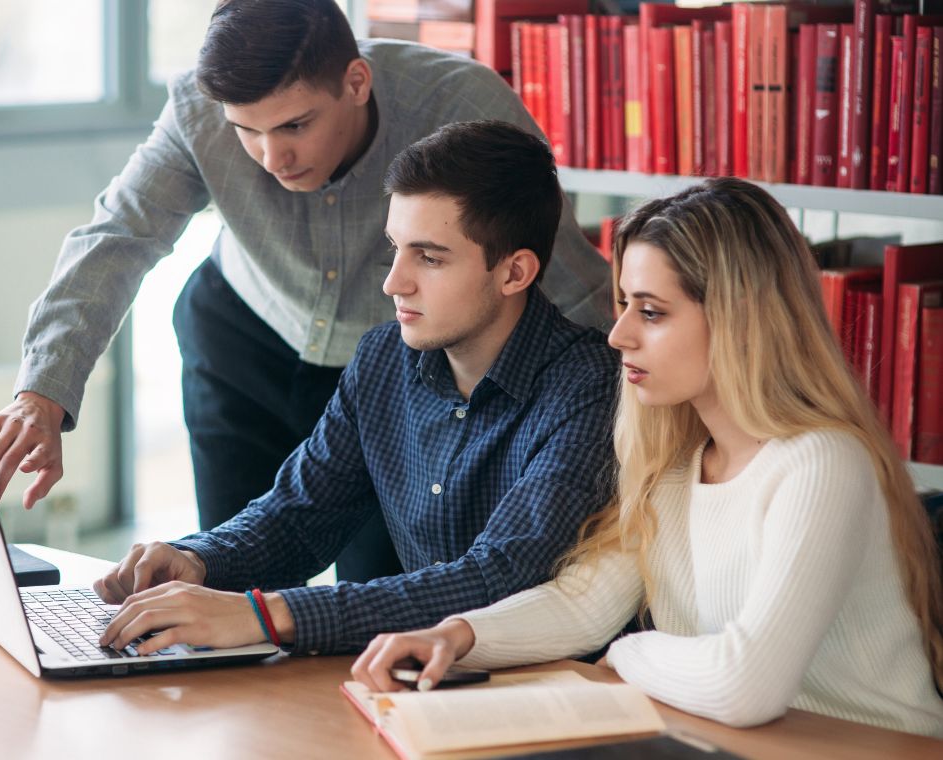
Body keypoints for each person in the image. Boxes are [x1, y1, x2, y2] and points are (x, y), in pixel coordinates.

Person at [0, 0, 612, 584]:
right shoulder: (197, 112)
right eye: (247, 132)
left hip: (391, 373)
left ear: (355, 83)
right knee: (219, 570)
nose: (270, 157)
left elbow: (560, 270)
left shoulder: (460, 105)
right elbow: (119, 234)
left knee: (375, 592)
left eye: (294, 126)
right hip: (243, 343)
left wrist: (639, 408)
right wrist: (41, 393)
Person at [350, 177, 943, 737]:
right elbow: (585, 604)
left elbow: (745, 687)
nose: (619, 335)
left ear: (741, 323)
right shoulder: (678, 466)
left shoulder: (820, 462)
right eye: (624, 304)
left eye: (652, 312)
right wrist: (454, 636)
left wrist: (629, 651)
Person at [91, 120, 619, 658]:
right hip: (424, 683)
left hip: (552, 695)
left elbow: (497, 580)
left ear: (515, 273)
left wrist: (266, 615)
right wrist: (198, 559)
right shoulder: (383, 359)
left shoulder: (591, 389)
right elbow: (300, 515)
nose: (394, 282)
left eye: (430, 257)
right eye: (395, 248)